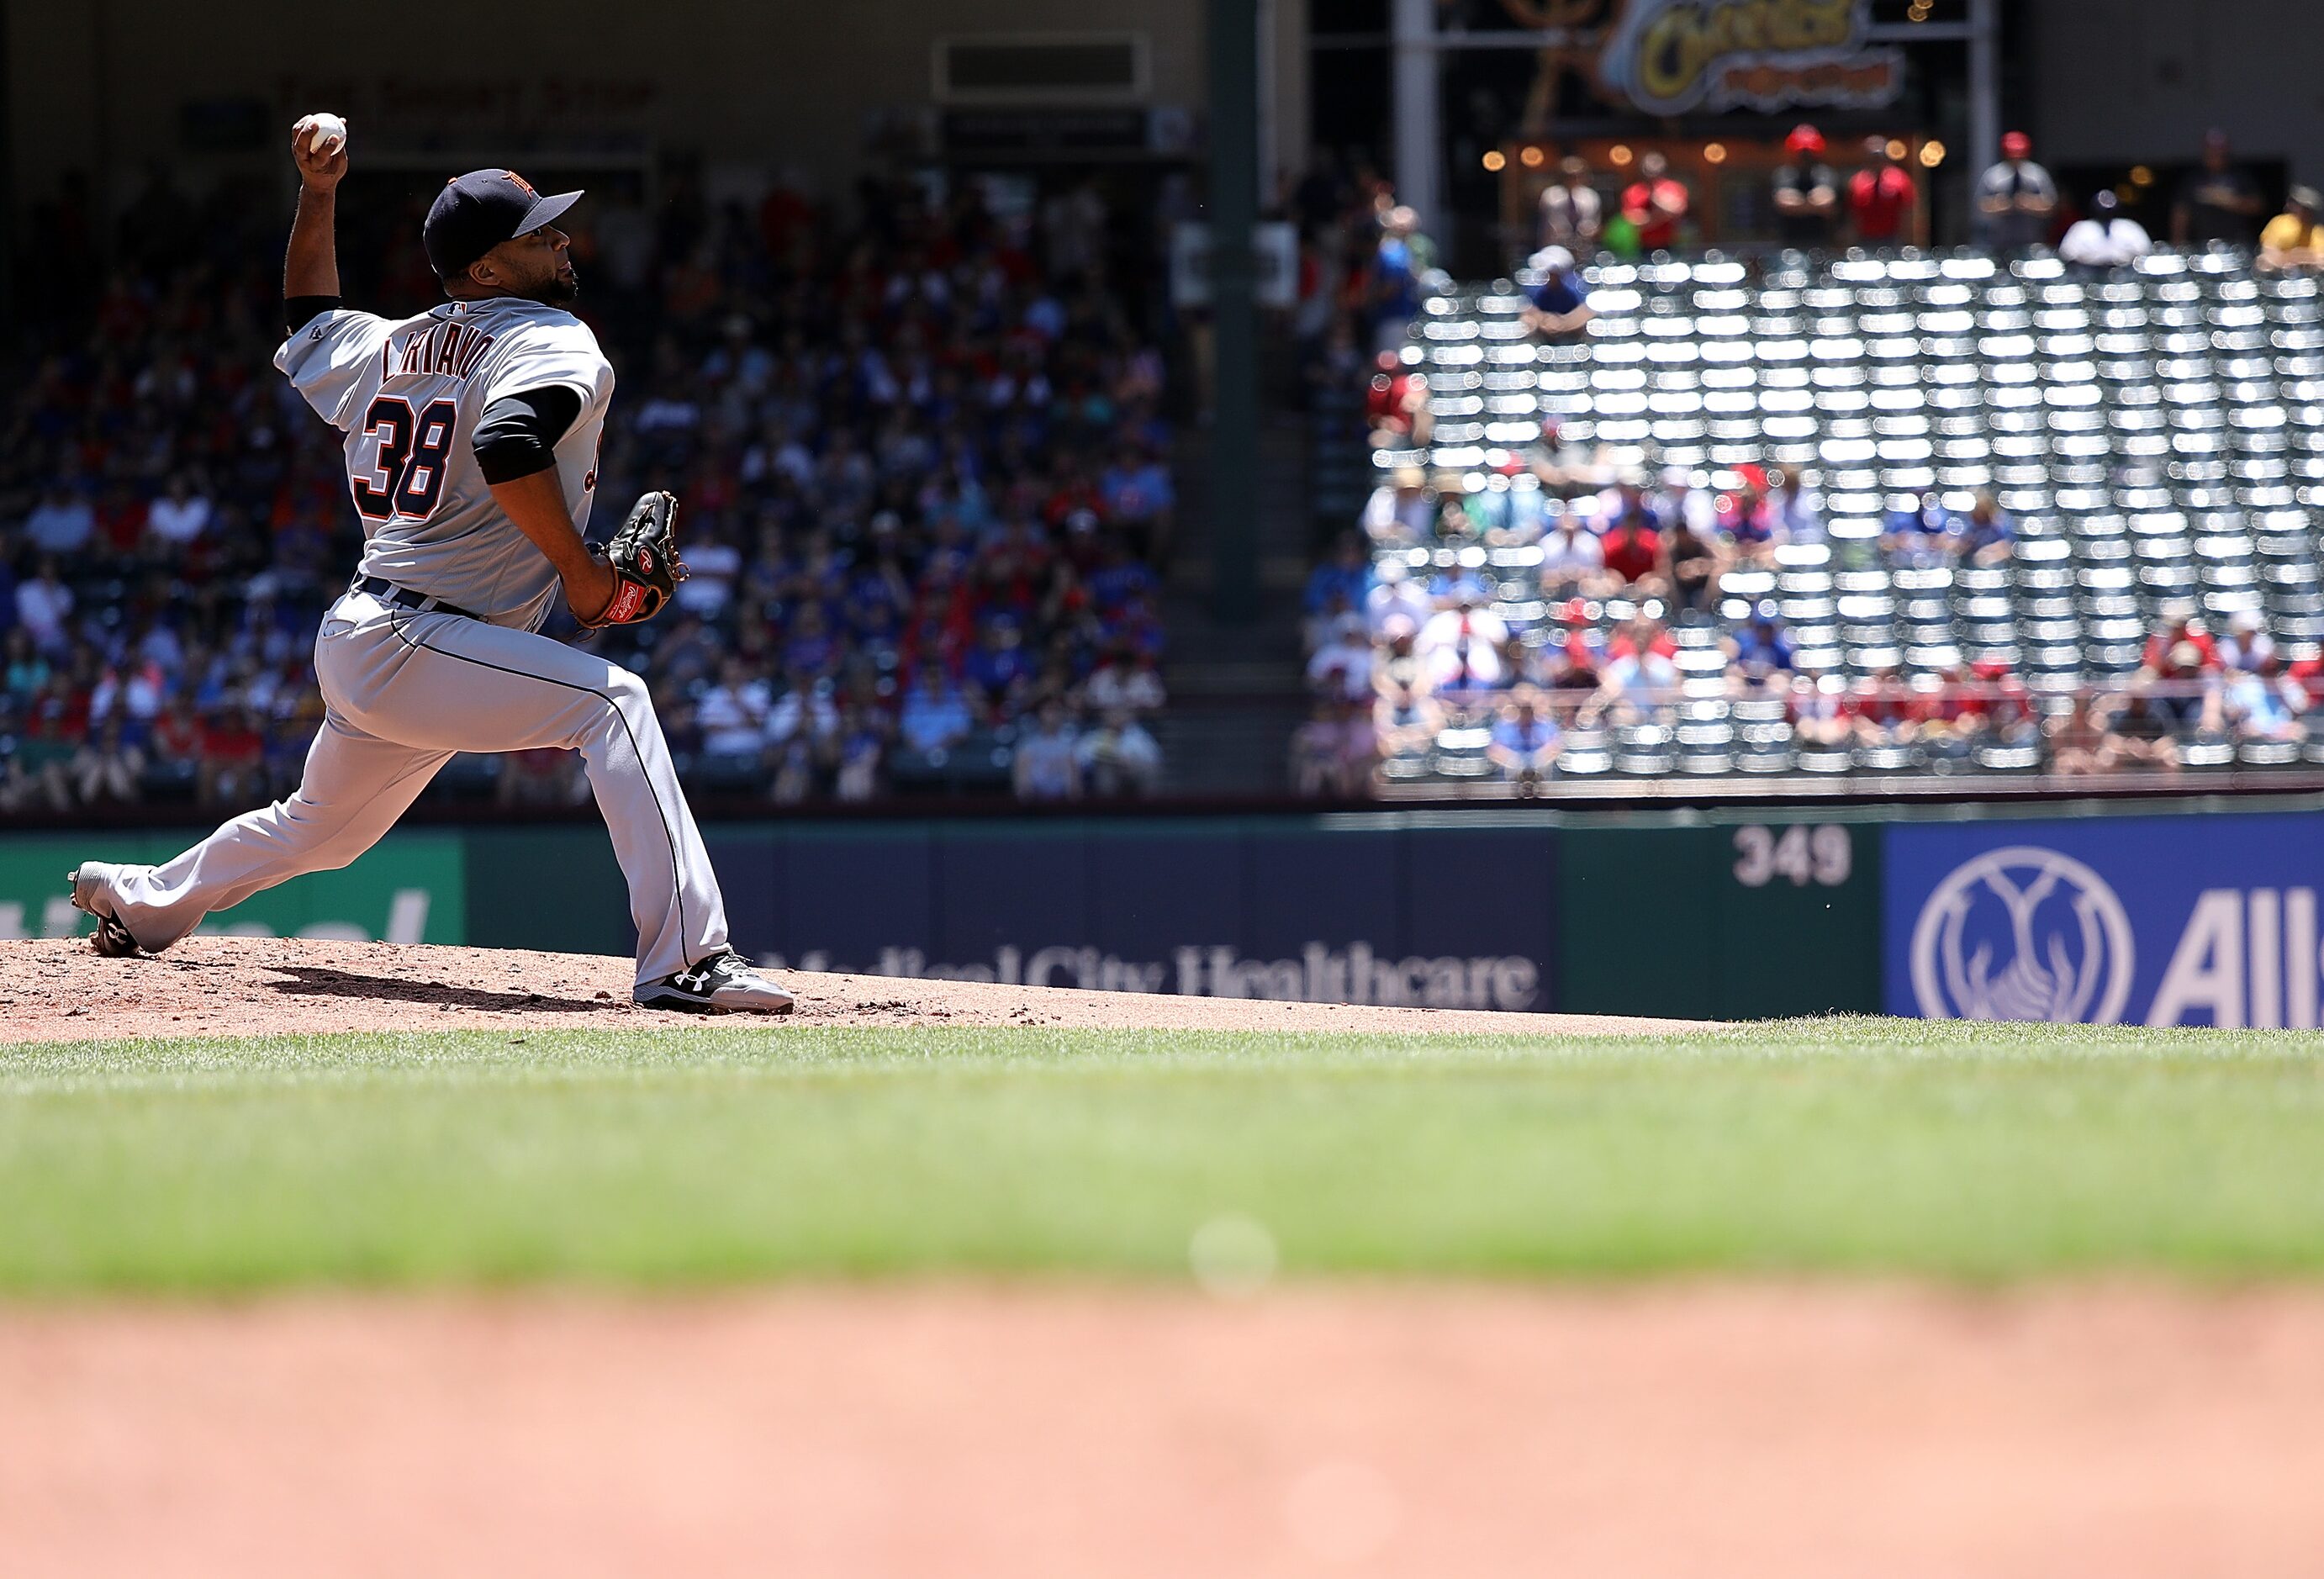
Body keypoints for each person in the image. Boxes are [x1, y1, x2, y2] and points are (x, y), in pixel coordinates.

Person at [63, 117, 792, 1014]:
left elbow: (306, 317)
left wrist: (318, 195)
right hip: (422, 637)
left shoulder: (389, 342)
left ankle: (141, 900)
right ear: (488, 268)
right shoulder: (546, 336)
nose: (563, 239)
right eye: (539, 233)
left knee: (322, 832)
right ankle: (684, 960)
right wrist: (582, 573)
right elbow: (509, 438)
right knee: (615, 702)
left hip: (387, 639)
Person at [2172, 129, 2266, 248]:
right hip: (2202, 245)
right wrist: (2178, 245)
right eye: (2211, 149)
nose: (2215, 153)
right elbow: (2181, 213)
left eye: (2219, 148)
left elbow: (2258, 206)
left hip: (2237, 244)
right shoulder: (2194, 179)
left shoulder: (2240, 176)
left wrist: (2229, 200)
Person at [1975, 131, 2057, 253]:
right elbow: (1981, 206)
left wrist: (2028, 203)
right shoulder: (1993, 176)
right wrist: (2004, 204)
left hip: (2032, 240)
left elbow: (2051, 205)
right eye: (2012, 155)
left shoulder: (2037, 175)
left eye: (2020, 155)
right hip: (1999, 241)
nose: (2016, 159)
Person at [1770, 125, 1840, 251]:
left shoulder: (1825, 173)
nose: (1805, 157)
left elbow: (1827, 204)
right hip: (1788, 244)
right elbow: (1784, 204)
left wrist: (1798, 202)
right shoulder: (1784, 174)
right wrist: (1813, 203)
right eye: (1801, 153)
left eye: (1809, 152)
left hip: (1821, 243)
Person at [2058, 190, 2152, 274]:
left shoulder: (2129, 227)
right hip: (2089, 275)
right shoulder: (2081, 228)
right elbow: (2067, 255)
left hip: (2124, 275)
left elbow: (2145, 253)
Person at [1847, 137, 1915, 247]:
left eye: (1879, 159)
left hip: (1892, 238)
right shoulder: (1857, 182)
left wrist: (1908, 242)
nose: (1876, 163)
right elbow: (1852, 216)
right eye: (1872, 159)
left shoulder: (1900, 180)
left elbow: (1907, 213)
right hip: (1865, 239)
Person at [1487, 692, 1561, 788]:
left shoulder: (1546, 726)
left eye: (1529, 709)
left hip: (1539, 769)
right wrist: (1514, 761)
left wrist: (1537, 760)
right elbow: (1494, 750)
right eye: (1523, 709)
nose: (1526, 713)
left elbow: (1555, 747)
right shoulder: (1503, 727)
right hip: (1511, 771)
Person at [1619, 151, 1688, 253]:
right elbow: (1633, 221)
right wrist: (1662, 215)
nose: (1652, 171)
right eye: (1648, 167)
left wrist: (1657, 202)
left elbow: (1678, 211)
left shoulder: (1674, 189)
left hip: (1671, 245)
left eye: (1656, 165)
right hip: (1644, 247)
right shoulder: (1633, 192)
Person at [1521, 246, 1594, 339]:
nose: (1551, 277)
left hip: (1571, 336)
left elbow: (1585, 312)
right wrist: (1545, 321)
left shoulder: (1576, 286)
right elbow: (1529, 312)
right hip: (1545, 336)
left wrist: (1562, 324)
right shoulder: (1537, 289)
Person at [1539, 156, 1602, 253]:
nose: (1574, 179)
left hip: (1583, 248)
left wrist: (1589, 231)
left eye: (1578, 175)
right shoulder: (1550, 195)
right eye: (1570, 175)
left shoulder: (1590, 197)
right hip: (1555, 247)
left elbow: (1594, 222)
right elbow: (1551, 221)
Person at [2259, 186, 2324, 272]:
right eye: (2301, 206)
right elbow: (2269, 251)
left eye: (2308, 208)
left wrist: (2294, 255)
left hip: (2308, 277)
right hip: (2281, 274)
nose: (2304, 211)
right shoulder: (2279, 223)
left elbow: (2321, 259)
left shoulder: (2318, 231)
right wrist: (2299, 257)